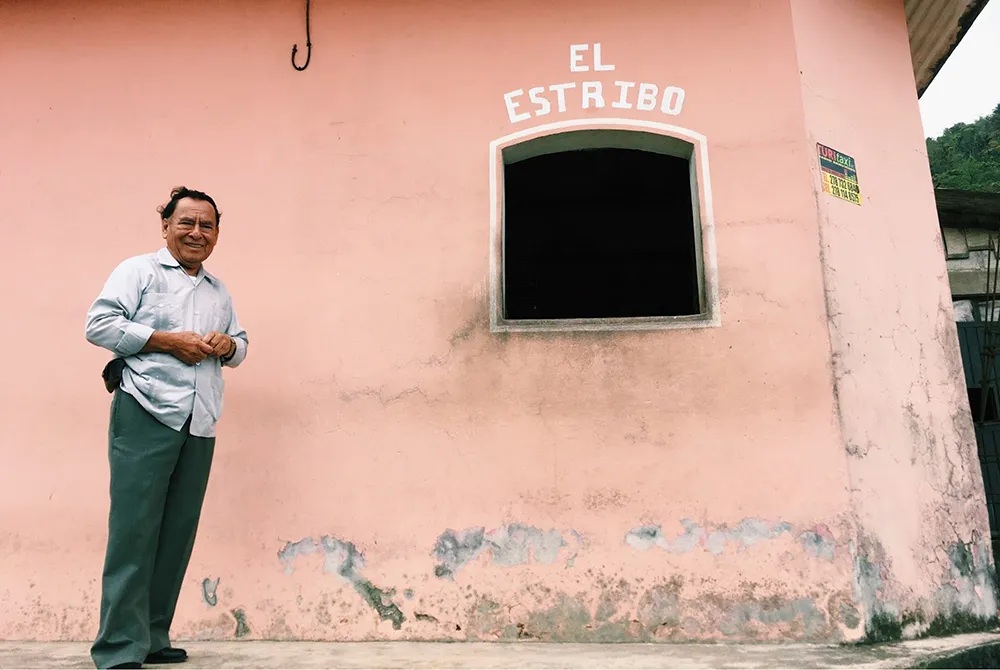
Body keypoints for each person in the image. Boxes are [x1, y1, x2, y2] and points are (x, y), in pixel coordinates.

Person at [85, 187, 249, 669]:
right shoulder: (138, 271)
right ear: (165, 226)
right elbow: (99, 324)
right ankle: (119, 646)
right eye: (186, 223)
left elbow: (240, 345)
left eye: (207, 225)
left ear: (216, 235)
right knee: (134, 530)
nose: (197, 232)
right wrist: (165, 341)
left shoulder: (218, 290)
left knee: (177, 532)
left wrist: (227, 345)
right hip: (146, 410)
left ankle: (153, 637)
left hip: (199, 419)